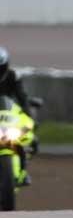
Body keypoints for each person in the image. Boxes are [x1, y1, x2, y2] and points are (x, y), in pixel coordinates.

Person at [0, 47, 34, 184]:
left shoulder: (13, 76)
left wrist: (29, 116)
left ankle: (23, 170)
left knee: (32, 139)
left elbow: (22, 98)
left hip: (9, 115)